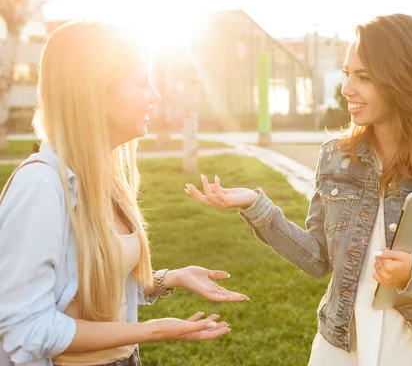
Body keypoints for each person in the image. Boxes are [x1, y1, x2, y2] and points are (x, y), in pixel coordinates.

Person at [186, 14, 412, 365]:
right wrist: (256, 206)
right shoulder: (336, 158)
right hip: (341, 347)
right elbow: (318, 260)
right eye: (347, 74)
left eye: (364, 77)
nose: (346, 89)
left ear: (404, 79)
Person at [0, 21, 248, 366]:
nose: (156, 96)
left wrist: (170, 278)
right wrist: (153, 330)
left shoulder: (106, 176)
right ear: (95, 95)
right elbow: (25, 329)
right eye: (143, 83)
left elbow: (95, 288)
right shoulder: (40, 188)